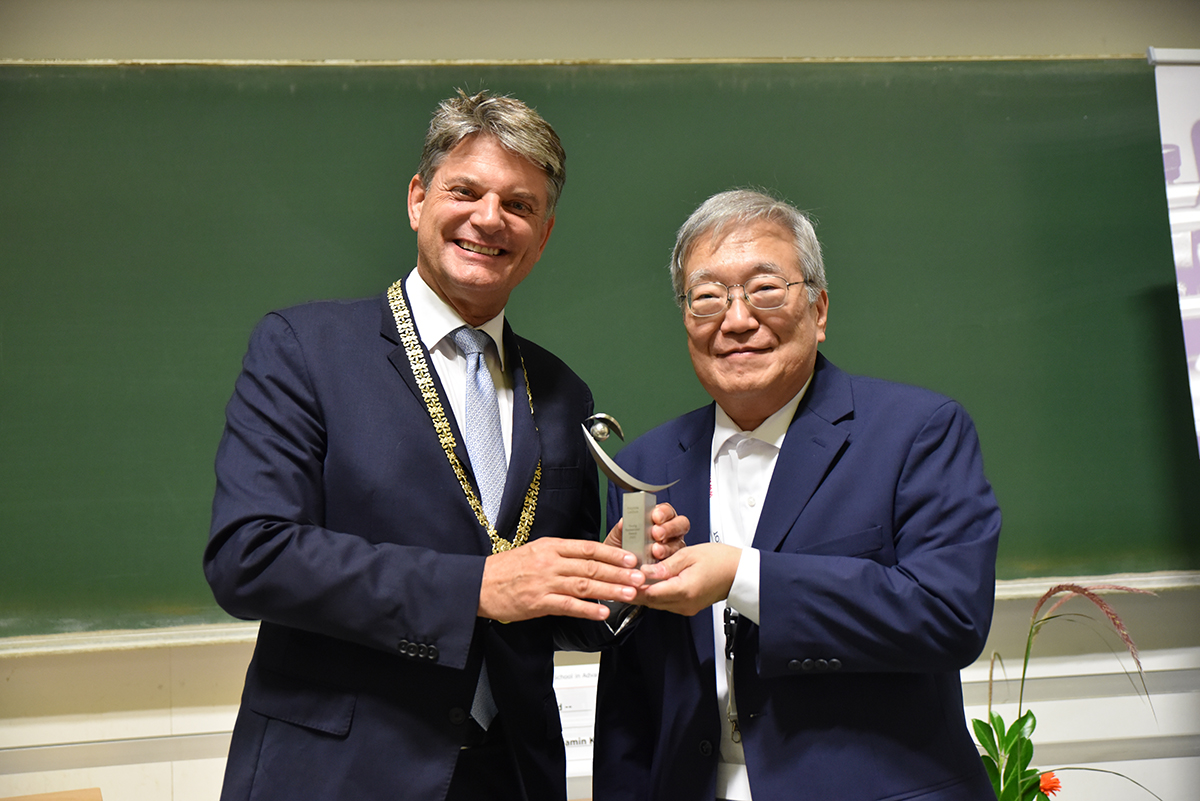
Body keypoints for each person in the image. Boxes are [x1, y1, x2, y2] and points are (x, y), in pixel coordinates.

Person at [204, 89, 686, 801]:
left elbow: (544, 607)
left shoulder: (561, 393)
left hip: (512, 775)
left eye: (519, 205)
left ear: (543, 235)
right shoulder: (304, 348)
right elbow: (250, 555)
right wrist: (476, 590)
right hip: (338, 775)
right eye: (467, 191)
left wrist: (613, 571)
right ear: (417, 200)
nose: (490, 218)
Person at [592, 189, 1001, 801]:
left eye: (764, 289)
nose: (736, 320)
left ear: (820, 308)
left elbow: (950, 617)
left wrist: (742, 577)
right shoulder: (645, 466)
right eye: (707, 297)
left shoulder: (919, 432)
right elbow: (631, 689)